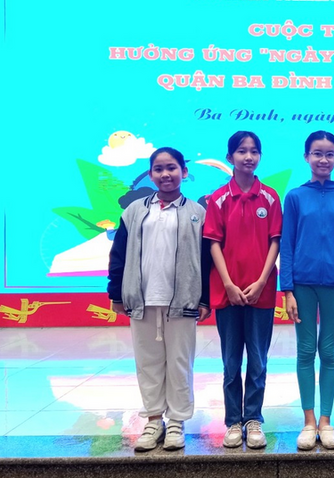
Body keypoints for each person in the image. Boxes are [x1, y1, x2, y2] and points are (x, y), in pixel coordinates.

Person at [108, 147, 211, 452]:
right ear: (151, 174)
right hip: (141, 299)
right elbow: (118, 253)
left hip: (183, 301)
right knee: (148, 362)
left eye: (172, 168)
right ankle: (154, 421)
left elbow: (206, 260)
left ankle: (177, 421)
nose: (166, 174)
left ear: (184, 172)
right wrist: (116, 292)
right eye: (159, 169)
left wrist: (204, 299)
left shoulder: (197, 212)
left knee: (179, 362)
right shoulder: (134, 211)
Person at [280, 130, 334, 450]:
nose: (323, 159)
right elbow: (287, 245)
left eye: (329, 154)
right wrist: (287, 290)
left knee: (328, 352)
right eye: (317, 153)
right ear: (306, 157)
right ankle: (308, 421)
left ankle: (326, 421)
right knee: (305, 351)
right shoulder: (295, 197)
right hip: (302, 285)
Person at [203, 131, 282, 449]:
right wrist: (228, 284)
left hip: (261, 292)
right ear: (230, 157)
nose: (248, 157)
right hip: (228, 294)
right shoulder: (218, 198)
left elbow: (275, 241)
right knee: (231, 361)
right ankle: (233, 421)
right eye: (241, 151)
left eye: (254, 151)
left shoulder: (271, 197)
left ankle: (253, 419)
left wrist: (262, 281)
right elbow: (213, 243)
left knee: (259, 361)